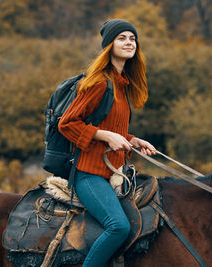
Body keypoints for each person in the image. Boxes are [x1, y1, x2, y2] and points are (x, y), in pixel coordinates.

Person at [58, 19, 156, 267]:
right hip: (89, 175)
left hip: (114, 173)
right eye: (121, 38)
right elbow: (67, 123)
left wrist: (133, 140)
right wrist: (105, 136)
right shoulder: (100, 82)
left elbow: (112, 129)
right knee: (119, 227)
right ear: (109, 45)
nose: (129, 42)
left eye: (132, 38)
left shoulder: (122, 84)